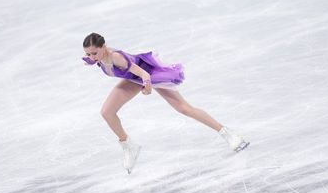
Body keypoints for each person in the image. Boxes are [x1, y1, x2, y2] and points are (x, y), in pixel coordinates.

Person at [82, 32, 249, 174]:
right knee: (106, 112)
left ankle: (229, 134)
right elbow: (101, 62)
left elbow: (144, 75)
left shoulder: (116, 58)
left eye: (94, 53)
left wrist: (147, 88)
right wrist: (92, 60)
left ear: (104, 46)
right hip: (133, 80)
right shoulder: (98, 58)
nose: (92, 57)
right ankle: (128, 145)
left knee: (183, 108)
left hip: (149, 75)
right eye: (88, 54)